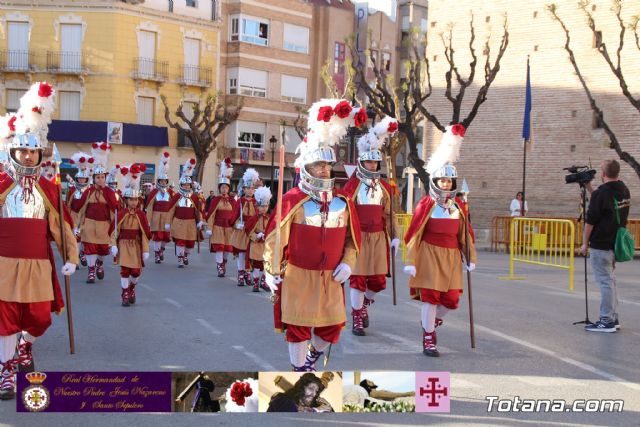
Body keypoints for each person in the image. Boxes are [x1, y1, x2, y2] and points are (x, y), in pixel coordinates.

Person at [264, 99, 361, 371]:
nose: (325, 170)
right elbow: (275, 237)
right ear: (306, 167)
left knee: (330, 329)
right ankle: (298, 371)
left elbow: (352, 241)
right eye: (319, 165)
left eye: (327, 166)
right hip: (298, 275)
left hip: (331, 278)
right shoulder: (292, 199)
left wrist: (348, 263)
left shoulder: (343, 202)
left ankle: (310, 359)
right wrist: (271, 270)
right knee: (298, 328)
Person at [0, 82, 78, 400]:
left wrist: (70, 257)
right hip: (4, 265)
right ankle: (5, 371)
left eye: (33, 150)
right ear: (13, 151)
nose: (28, 155)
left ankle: (25, 346)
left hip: (38, 266)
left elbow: (63, 228)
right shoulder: (1, 183)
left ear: (38, 153)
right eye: (23, 150)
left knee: (40, 318)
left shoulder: (48, 188)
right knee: (5, 319)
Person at [403, 124, 476, 357]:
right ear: (436, 181)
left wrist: (469, 257)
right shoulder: (426, 204)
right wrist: (411, 260)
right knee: (431, 298)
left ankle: (431, 324)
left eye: (449, 181)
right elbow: (414, 233)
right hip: (429, 254)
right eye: (442, 180)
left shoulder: (459, 206)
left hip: (452, 256)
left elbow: (466, 234)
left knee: (452, 299)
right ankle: (428, 338)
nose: (446, 184)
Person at [342, 116, 399, 336]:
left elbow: (391, 214)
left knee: (377, 282)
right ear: (361, 162)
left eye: (375, 162)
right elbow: (345, 212)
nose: (372, 165)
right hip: (358, 238)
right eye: (369, 162)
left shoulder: (385, 186)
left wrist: (394, 236)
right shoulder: (352, 185)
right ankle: (357, 316)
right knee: (358, 279)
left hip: (378, 238)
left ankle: (364, 304)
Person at [580, 160, 630, 333]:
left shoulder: (602, 193)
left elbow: (591, 221)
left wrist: (585, 243)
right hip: (614, 243)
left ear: (603, 173)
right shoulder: (623, 189)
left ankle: (606, 320)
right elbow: (605, 204)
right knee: (611, 281)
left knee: (605, 282)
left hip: (601, 244)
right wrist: (589, 187)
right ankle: (613, 317)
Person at [76, 141, 119, 283]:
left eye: (102, 177)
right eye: (98, 177)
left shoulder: (109, 192)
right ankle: (91, 272)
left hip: (104, 225)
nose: (100, 179)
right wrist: (77, 225)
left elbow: (116, 208)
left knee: (102, 250)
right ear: (93, 178)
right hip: (89, 223)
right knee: (90, 248)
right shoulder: (88, 191)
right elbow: (80, 207)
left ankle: (99, 264)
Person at [110, 164, 152, 307]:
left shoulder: (141, 215)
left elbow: (145, 233)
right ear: (126, 200)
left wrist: (145, 249)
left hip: (136, 245)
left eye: (136, 200)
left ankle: (132, 288)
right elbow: (113, 231)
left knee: (135, 272)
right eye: (131, 200)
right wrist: (113, 246)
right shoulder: (120, 214)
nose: (133, 202)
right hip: (123, 244)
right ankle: (125, 293)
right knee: (125, 271)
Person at [166, 159, 204, 268]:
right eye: (185, 184)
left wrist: (200, 221)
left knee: (190, 243)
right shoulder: (177, 196)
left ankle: (186, 254)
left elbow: (198, 210)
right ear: (181, 184)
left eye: (188, 185)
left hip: (191, 222)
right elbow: (171, 210)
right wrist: (168, 223)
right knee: (180, 241)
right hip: (179, 222)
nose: (187, 186)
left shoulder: (194, 197)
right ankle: (180, 258)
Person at [205, 158, 237, 277]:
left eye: (226, 187)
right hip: (218, 227)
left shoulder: (232, 201)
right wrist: (209, 227)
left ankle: (223, 263)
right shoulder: (215, 200)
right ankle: (219, 267)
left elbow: (235, 214)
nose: (224, 189)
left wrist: (236, 224)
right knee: (219, 247)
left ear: (229, 189)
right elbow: (211, 214)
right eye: (222, 187)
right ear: (219, 188)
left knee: (227, 249)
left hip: (228, 228)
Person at [230, 168, 260, 287]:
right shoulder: (240, 201)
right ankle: (241, 274)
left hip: (252, 231)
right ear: (244, 189)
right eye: (248, 188)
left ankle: (248, 273)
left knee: (252, 254)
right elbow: (234, 215)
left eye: (252, 188)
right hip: (242, 231)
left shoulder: (257, 202)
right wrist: (237, 224)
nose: (250, 190)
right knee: (242, 254)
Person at [145, 152, 174, 264]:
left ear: (167, 182)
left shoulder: (171, 192)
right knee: (157, 237)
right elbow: (150, 207)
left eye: (164, 181)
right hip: (156, 217)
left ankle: (161, 249)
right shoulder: (154, 192)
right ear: (158, 182)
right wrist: (148, 220)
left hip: (167, 217)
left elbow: (173, 206)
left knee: (166, 237)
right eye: (161, 181)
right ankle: (157, 254)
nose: (163, 182)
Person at [66, 152, 93, 267]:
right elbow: (68, 203)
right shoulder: (72, 190)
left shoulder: (90, 191)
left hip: (85, 217)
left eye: (84, 179)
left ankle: (81, 253)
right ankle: (75, 258)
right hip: (73, 216)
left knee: (84, 237)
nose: (82, 181)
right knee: (75, 238)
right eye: (80, 179)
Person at [245, 186, 272, 292]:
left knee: (266, 265)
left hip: (266, 245)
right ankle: (255, 282)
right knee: (256, 265)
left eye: (266, 206)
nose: (264, 208)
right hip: (256, 245)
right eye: (262, 206)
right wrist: (257, 236)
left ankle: (263, 281)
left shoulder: (269, 217)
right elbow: (248, 230)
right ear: (257, 206)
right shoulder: (254, 218)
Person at [267, 373, 333, 412]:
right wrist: (317, 410)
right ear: (301, 386)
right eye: (311, 388)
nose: (314, 394)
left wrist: (329, 408)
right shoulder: (281, 399)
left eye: (316, 391)